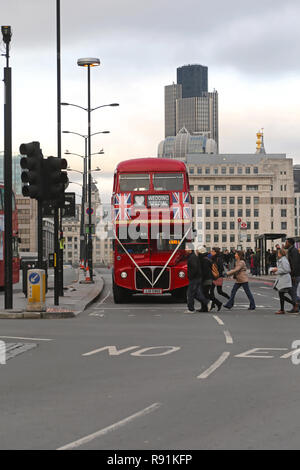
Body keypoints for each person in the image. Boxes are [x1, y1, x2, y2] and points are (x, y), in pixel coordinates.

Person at [185, 243, 212, 314]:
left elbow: (194, 268)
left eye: (186, 248)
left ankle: (191, 309)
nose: (185, 249)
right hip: (197, 278)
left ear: (190, 249)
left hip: (194, 278)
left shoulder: (192, 257)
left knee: (190, 293)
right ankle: (207, 302)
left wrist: (190, 276)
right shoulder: (193, 256)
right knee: (196, 294)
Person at [270, 248, 294, 314]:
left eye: (278, 253)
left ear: (280, 253)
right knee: (283, 294)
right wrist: (276, 270)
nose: (277, 254)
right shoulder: (281, 260)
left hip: (285, 279)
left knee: (282, 294)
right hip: (282, 279)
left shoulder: (284, 260)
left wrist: (276, 270)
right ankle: (292, 305)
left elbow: (287, 269)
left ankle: (287, 307)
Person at [198, 247, 222, 312]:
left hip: (206, 279)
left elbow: (205, 271)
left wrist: (201, 278)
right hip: (209, 278)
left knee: (204, 294)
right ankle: (206, 307)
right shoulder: (207, 259)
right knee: (205, 293)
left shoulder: (204, 260)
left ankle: (216, 303)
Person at [284, 238, 300, 313]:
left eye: (286, 242)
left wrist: (293, 275)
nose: (285, 244)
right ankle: (296, 305)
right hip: (293, 274)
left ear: (290, 243)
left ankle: (296, 306)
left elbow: (295, 264)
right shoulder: (291, 250)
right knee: (291, 291)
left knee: (292, 291)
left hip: (295, 275)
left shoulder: (294, 251)